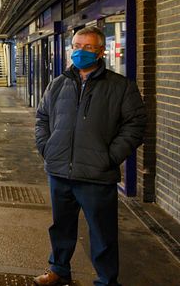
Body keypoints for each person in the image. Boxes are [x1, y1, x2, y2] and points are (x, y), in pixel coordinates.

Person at [34, 27, 146, 286]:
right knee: (61, 227)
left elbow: (136, 125)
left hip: (97, 174)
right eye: (77, 46)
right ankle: (59, 269)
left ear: (100, 51)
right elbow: (42, 118)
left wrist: (109, 157)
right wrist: (47, 148)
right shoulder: (58, 83)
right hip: (60, 170)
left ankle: (107, 280)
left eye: (87, 47)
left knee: (102, 233)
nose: (80, 52)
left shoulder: (120, 87)